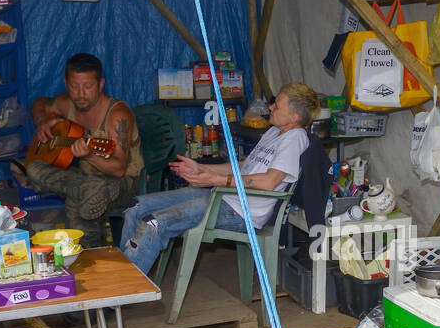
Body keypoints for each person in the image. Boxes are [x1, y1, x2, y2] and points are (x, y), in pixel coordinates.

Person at [120, 81, 314, 276]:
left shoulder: (295, 138)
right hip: (220, 197)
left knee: (154, 223)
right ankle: (118, 279)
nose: (270, 107)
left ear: (294, 117)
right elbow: (244, 166)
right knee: (135, 206)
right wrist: (201, 168)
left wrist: (214, 179)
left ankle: (123, 290)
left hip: (240, 212)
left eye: (277, 106)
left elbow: (269, 182)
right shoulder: (274, 132)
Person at [18, 54, 142, 247]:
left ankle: (90, 256)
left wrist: (89, 155)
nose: (81, 93)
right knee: (33, 168)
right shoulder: (66, 104)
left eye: (88, 86)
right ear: (65, 83)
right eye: (74, 86)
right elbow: (39, 103)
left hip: (123, 182)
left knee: (78, 205)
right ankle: (90, 190)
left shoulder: (117, 114)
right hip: (86, 178)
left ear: (100, 84)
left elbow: (119, 169)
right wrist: (42, 121)